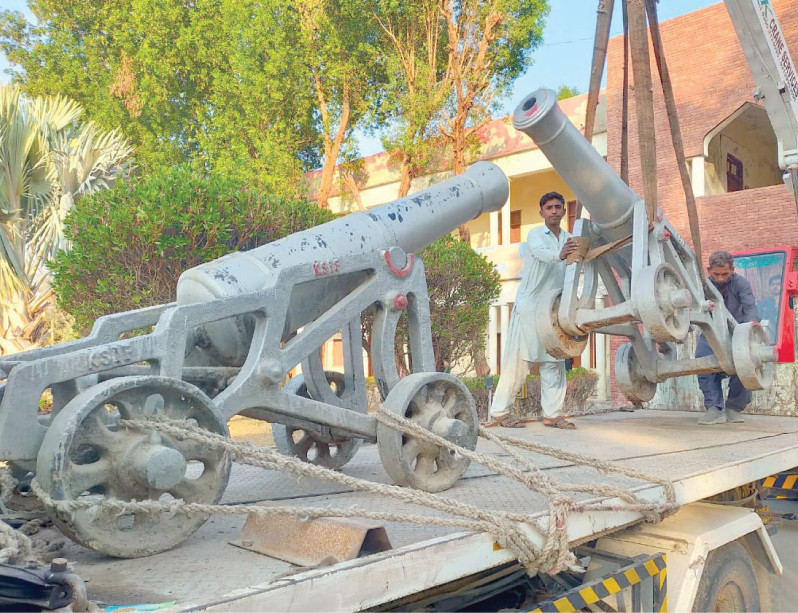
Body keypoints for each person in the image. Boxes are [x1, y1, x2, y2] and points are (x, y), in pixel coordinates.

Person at [488, 192, 579, 429]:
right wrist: (561, 254)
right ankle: (499, 411)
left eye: (558, 207)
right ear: (541, 212)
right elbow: (541, 254)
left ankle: (552, 414)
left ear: (563, 211)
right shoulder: (535, 235)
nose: (554, 211)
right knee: (519, 362)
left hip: (553, 308)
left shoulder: (570, 238)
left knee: (554, 360)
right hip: (529, 307)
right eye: (549, 207)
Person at [696, 251, 759, 425]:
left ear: (732, 269)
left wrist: (747, 335)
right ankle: (714, 409)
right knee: (702, 362)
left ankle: (733, 408)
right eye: (716, 274)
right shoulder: (702, 286)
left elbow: (750, 310)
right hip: (711, 332)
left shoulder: (742, 284)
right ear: (709, 270)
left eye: (725, 274)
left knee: (745, 364)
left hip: (738, 332)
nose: (721, 278)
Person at [757, 274, 781, 344]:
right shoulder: (764, 304)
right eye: (773, 284)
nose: (775, 286)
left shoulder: (787, 302)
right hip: (769, 338)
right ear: (770, 287)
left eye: (778, 284)